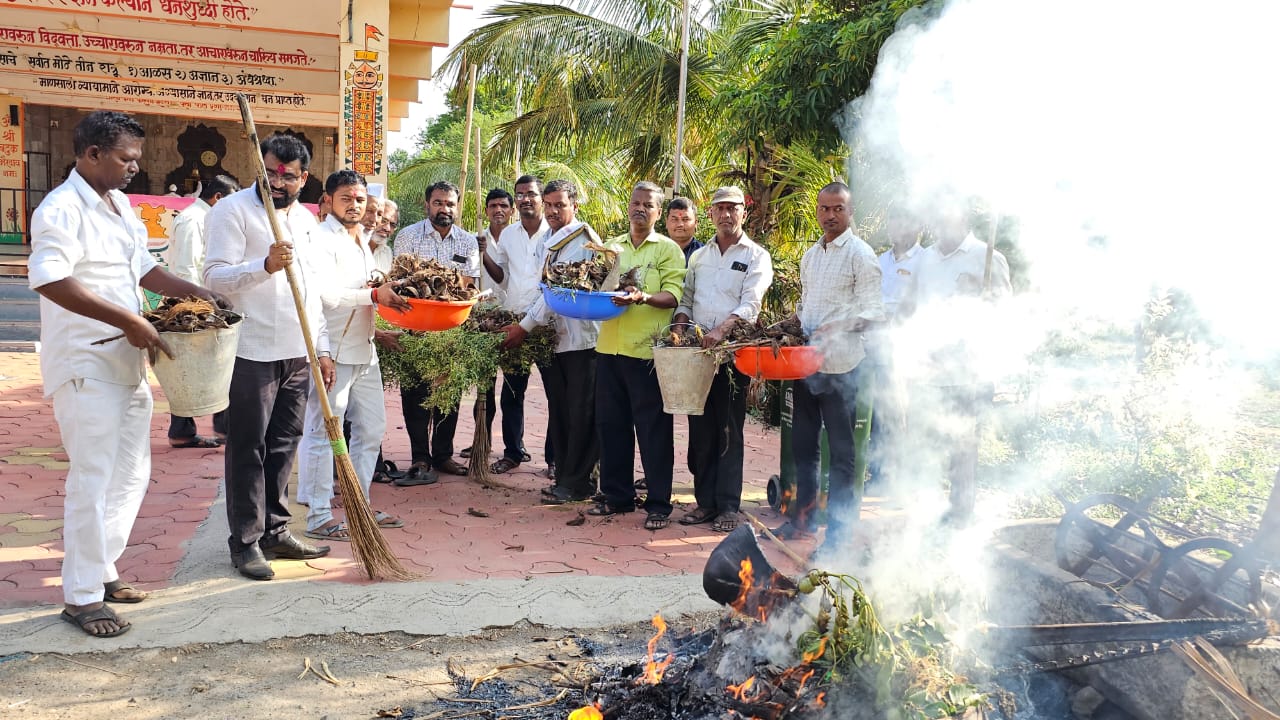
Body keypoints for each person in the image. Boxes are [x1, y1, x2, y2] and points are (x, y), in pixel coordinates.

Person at [29, 111, 229, 636]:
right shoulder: (60, 209)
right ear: (92, 154)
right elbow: (50, 280)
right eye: (126, 158)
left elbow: (144, 268)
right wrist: (128, 320)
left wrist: (198, 293)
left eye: (137, 158)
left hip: (127, 362)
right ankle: (81, 597)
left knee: (132, 474)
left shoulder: (120, 205)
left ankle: (101, 569)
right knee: (92, 479)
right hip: (85, 364)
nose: (135, 167)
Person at [204, 133, 334, 581]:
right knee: (248, 446)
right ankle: (244, 542)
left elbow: (312, 292)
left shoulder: (308, 221)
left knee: (283, 445)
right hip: (250, 350)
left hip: (296, 351)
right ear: (258, 167)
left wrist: (320, 349)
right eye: (270, 173)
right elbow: (214, 278)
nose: (277, 183)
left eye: (288, 177)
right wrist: (263, 266)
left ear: (304, 178)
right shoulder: (232, 210)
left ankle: (275, 530)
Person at [297, 170, 411, 541]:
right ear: (328, 200)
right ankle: (318, 516)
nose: (355, 205)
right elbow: (325, 297)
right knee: (325, 433)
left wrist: (379, 304)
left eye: (360, 199)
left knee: (372, 429)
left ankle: (359, 505)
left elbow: (362, 293)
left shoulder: (361, 239)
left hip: (365, 349)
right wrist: (375, 296)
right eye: (346, 198)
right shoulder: (319, 238)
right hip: (332, 351)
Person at [774, 182, 884, 558]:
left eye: (838, 208)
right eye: (825, 208)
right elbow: (807, 309)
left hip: (843, 368)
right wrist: (782, 326)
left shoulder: (860, 255)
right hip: (807, 365)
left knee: (842, 455)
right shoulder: (811, 256)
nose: (831, 214)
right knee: (804, 448)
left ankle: (839, 534)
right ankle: (802, 520)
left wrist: (839, 327)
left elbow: (874, 313)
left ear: (850, 212)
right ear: (817, 211)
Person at [903, 202, 1011, 524]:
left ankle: (960, 517)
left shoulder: (987, 257)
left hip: (968, 373)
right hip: (927, 370)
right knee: (925, 446)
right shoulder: (925, 258)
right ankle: (925, 513)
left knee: (962, 450)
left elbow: (1005, 314)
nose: (940, 225)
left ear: (962, 218)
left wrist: (985, 298)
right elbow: (910, 308)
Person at [673, 186, 773, 533]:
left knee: (728, 428)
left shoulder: (756, 256)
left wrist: (722, 330)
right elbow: (686, 299)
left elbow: (751, 304)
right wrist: (680, 326)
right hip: (699, 355)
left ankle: (728, 505)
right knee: (700, 430)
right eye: (720, 209)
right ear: (711, 213)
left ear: (744, 212)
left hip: (733, 355)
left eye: (733, 208)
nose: (726, 214)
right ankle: (705, 503)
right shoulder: (700, 257)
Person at [589, 182, 686, 530]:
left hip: (646, 354)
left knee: (652, 430)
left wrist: (642, 297)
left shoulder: (668, 250)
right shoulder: (612, 248)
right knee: (611, 426)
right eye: (635, 202)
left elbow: (673, 295)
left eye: (648, 204)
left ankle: (658, 504)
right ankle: (617, 497)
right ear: (628, 206)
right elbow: (597, 287)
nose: (640, 208)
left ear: (658, 212)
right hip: (609, 349)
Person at [500, 179, 601, 503]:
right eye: (550, 205)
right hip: (554, 340)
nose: (554, 211)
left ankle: (580, 483)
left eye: (561, 205)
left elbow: (556, 292)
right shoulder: (549, 239)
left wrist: (524, 327)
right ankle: (565, 479)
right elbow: (540, 288)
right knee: (561, 411)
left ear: (575, 206)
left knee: (581, 414)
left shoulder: (582, 240)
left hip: (581, 341)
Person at [391, 181, 480, 482]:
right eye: (438, 202)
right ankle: (420, 456)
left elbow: (469, 284)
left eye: (450, 203)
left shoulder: (467, 242)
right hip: (414, 327)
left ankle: (443, 455)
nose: (444, 208)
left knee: (447, 394)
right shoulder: (408, 236)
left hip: (452, 329)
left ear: (457, 206)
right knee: (415, 394)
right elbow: (402, 280)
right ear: (427, 204)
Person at [167, 173, 240, 449]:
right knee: (188, 368)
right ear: (218, 198)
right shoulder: (193, 220)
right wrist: (198, 307)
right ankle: (184, 430)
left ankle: (221, 426)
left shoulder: (207, 218)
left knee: (219, 364)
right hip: (193, 306)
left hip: (207, 302)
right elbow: (187, 267)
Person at [486, 178, 552, 474]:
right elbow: (503, 277)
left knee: (555, 395)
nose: (525, 199)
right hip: (514, 323)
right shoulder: (509, 235)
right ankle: (513, 452)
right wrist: (483, 255)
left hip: (549, 326)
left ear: (542, 198)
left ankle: (554, 459)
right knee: (512, 393)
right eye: (520, 194)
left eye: (531, 194)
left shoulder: (555, 232)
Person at [867, 209, 923, 489]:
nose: (896, 226)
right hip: (877, 346)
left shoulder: (925, 261)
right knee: (879, 413)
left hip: (909, 350)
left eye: (903, 220)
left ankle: (907, 479)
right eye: (893, 220)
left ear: (917, 226)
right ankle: (879, 476)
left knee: (906, 413)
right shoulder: (880, 261)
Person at [459, 187, 515, 462]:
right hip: (481, 318)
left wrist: (485, 255)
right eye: (493, 206)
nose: (498, 210)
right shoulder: (474, 238)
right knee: (484, 386)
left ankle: (514, 447)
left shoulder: (517, 239)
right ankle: (481, 440)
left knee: (514, 388)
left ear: (511, 210)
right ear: (486, 210)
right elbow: (464, 274)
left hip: (511, 317)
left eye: (503, 205)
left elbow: (503, 278)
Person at [665, 196, 703, 264]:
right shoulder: (657, 251)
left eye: (685, 219)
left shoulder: (705, 253)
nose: (680, 224)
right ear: (666, 222)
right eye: (674, 219)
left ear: (696, 223)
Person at [370, 198, 398, 274]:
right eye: (383, 221)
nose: (387, 228)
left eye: (392, 225)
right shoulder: (352, 247)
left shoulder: (387, 252)